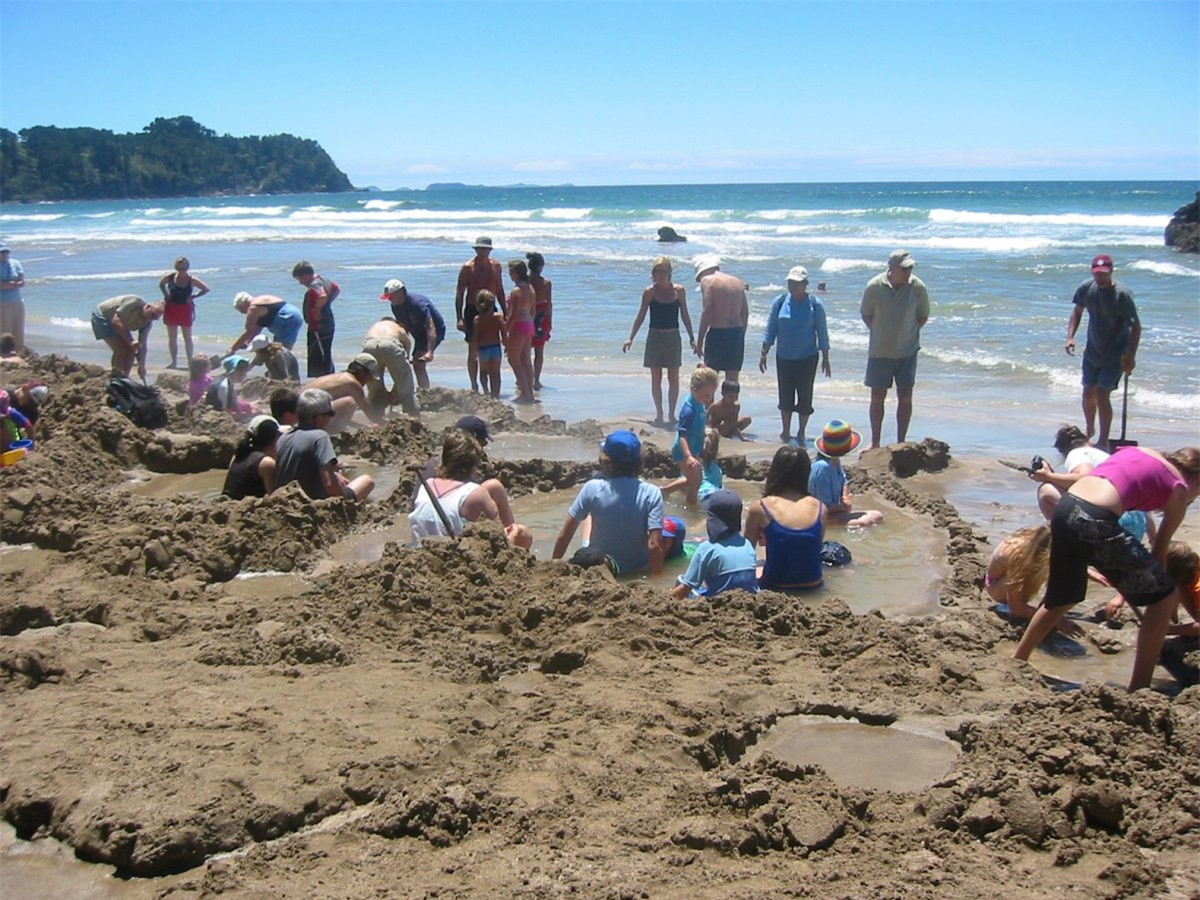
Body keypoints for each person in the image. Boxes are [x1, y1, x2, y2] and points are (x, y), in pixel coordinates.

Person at [1013, 446, 1200, 692]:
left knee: (1061, 598)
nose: (1193, 498)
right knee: (1164, 598)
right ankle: (1140, 688)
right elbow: (1159, 550)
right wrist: (1163, 601)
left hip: (1066, 507)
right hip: (1095, 518)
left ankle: (1018, 661)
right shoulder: (1179, 489)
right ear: (1196, 479)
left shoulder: (1144, 453)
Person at [551, 430, 665, 576]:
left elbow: (565, 535)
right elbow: (654, 545)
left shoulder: (592, 488)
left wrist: (553, 566)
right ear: (639, 461)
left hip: (600, 568)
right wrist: (656, 581)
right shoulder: (652, 493)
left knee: (589, 518)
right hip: (636, 570)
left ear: (606, 461)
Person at [1064, 253, 1140, 451]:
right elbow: (1077, 312)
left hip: (1116, 353)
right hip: (1093, 350)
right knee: (1087, 392)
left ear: (1111, 271)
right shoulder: (1086, 288)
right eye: (1097, 273)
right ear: (1092, 272)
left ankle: (1103, 440)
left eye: (1104, 274)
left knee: (1101, 393)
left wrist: (1131, 356)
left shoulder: (1122, 294)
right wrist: (1070, 337)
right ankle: (1089, 431)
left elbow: (1135, 326)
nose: (1100, 277)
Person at [1030, 424, 1154, 543]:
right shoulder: (1106, 457)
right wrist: (1153, 538)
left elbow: (1084, 478)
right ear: (1088, 441)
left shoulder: (1077, 453)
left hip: (1113, 522)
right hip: (1136, 525)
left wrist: (1048, 476)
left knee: (1046, 490)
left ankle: (1065, 542)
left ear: (1063, 453)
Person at [409, 430, 532, 549]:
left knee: (493, 488)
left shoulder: (427, 485)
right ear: (473, 467)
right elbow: (495, 530)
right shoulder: (476, 492)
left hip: (420, 548)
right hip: (454, 553)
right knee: (522, 532)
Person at [860, 250, 930, 449]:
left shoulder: (917, 287)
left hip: (907, 351)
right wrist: (881, 333)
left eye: (910, 268)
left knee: (905, 397)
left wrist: (906, 334)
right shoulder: (874, 286)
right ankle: (875, 442)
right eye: (904, 269)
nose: (908, 272)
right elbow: (866, 314)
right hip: (880, 351)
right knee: (877, 397)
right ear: (892, 268)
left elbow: (922, 316)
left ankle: (901, 441)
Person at [759, 266, 830, 446]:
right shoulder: (780, 302)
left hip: (807, 358)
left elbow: (822, 332)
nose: (792, 286)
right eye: (790, 282)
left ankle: (801, 432)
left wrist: (826, 358)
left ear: (805, 284)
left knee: (805, 396)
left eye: (796, 283)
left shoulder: (815, 304)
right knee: (785, 396)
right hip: (784, 357)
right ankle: (785, 431)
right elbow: (771, 329)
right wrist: (764, 353)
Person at [623, 256, 696, 426]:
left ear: (670, 272)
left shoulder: (679, 291)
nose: (660, 274)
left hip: (673, 337)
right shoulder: (649, 292)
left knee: (673, 378)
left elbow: (685, 315)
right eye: (657, 271)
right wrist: (630, 338)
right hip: (655, 337)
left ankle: (671, 414)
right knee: (656, 378)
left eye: (663, 271)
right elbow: (641, 315)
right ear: (653, 273)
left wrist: (692, 338)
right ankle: (659, 413)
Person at [744, 445, 825, 592]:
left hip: (777, 586)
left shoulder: (761, 507)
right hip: (814, 584)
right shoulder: (820, 508)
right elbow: (809, 550)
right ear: (806, 473)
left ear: (775, 471)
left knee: (759, 563)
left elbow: (746, 553)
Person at [274, 388, 374, 502]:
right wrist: (344, 502)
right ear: (319, 418)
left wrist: (334, 474)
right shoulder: (320, 437)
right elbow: (329, 484)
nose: (331, 418)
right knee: (367, 481)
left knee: (339, 478)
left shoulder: (284, 437)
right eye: (330, 414)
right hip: (313, 502)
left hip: (288, 499)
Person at [671, 490, 759, 599]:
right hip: (750, 599)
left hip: (720, 603)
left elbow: (685, 588)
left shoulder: (707, 549)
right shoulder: (747, 545)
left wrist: (665, 600)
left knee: (681, 580)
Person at [454, 237, 506, 393]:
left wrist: (506, 311)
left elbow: (500, 289)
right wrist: (459, 318)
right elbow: (460, 293)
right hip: (472, 309)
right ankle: (474, 385)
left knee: (492, 343)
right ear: (476, 249)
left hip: (491, 309)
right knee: (473, 347)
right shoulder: (467, 268)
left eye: (486, 249)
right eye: (480, 249)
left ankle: (491, 385)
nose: (483, 251)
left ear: (490, 250)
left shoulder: (496, 266)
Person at [808, 420, 883, 527]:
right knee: (868, 520)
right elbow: (822, 507)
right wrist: (842, 507)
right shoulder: (822, 468)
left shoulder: (835, 460)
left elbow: (844, 480)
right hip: (819, 516)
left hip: (833, 511)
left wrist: (845, 496)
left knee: (876, 515)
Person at [985, 525, 1059, 628]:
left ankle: (1037, 610)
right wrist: (1051, 619)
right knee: (1043, 567)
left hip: (1006, 576)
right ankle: (1006, 608)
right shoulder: (1020, 555)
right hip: (995, 585)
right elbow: (1016, 606)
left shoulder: (1039, 537)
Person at [379, 279, 445, 390]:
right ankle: (422, 391)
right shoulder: (395, 306)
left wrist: (430, 352)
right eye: (388, 298)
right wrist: (402, 350)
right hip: (418, 333)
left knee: (418, 365)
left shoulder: (417, 304)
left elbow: (430, 326)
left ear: (401, 292)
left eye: (391, 297)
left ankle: (425, 393)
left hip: (434, 331)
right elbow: (404, 328)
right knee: (415, 363)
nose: (389, 300)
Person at [694, 255, 749, 382]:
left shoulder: (707, 280)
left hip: (718, 333)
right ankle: (731, 396)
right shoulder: (737, 281)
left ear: (702, 272)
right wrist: (741, 334)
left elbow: (707, 310)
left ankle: (709, 397)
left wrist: (700, 341)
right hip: (737, 332)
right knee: (732, 380)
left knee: (711, 377)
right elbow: (745, 313)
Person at [672, 367, 720, 506]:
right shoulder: (689, 410)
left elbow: (700, 424)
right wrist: (688, 456)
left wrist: (706, 435)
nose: (709, 398)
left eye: (711, 394)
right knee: (695, 482)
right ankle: (692, 506)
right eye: (706, 395)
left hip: (694, 448)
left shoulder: (700, 403)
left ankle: (665, 491)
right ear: (693, 389)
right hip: (683, 451)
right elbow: (682, 435)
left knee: (694, 479)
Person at [305, 354, 386, 433]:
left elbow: (340, 417)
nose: (371, 380)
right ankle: (329, 433)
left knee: (347, 404)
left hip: (303, 411)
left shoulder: (341, 377)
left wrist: (363, 426)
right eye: (370, 375)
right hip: (308, 414)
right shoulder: (353, 383)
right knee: (350, 402)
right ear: (361, 371)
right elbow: (369, 411)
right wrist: (386, 424)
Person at [91, 295, 165, 379]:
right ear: (147, 307)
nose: (151, 319)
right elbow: (116, 321)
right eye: (152, 315)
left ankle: (125, 378)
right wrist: (131, 341)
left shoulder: (147, 324)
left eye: (155, 318)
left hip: (118, 323)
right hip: (102, 316)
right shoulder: (133, 302)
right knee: (120, 349)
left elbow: (142, 345)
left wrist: (141, 366)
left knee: (131, 350)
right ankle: (116, 378)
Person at [157, 256, 210, 369]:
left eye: (184, 268)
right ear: (176, 267)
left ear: (187, 267)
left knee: (187, 338)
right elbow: (161, 284)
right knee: (172, 338)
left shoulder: (192, 279)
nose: (182, 270)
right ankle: (174, 362)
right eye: (180, 268)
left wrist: (193, 296)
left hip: (185, 309)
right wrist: (166, 295)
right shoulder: (171, 277)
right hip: (171, 308)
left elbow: (205, 289)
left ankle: (190, 362)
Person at [361, 317, 419, 416]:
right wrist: (406, 359)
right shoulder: (398, 327)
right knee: (405, 386)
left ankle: (378, 417)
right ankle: (413, 415)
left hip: (369, 345)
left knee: (375, 388)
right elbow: (407, 344)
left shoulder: (375, 327)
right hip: (389, 343)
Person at [292, 261, 339, 377]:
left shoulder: (315, 284)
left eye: (300, 279)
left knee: (319, 356)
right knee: (325, 352)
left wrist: (318, 308)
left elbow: (322, 296)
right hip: (327, 323)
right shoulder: (324, 280)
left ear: (305, 275)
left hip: (319, 326)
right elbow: (336, 289)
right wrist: (327, 304)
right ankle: (329, 378)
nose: (300, 283)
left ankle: (324, 380)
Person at [222, 414, 281, 500]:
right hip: (244, 507)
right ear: (274, 438)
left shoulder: (239, 455)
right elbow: (275, 499)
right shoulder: (267, 464)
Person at [505, 258, 537, 403]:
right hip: (529, 324)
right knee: (526, 360)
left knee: (514, 359)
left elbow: (513, 315)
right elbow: (533, 310)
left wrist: (506, 331)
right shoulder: (530, 289)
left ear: (517, 273)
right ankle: (530, 392)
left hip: (519, 325)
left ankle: (525, 392)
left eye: (511, 271)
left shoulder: (516, 291)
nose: (509, 274)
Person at [662, 427, 723, 502]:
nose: (705, 447)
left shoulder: (705, 465)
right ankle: (665, 491)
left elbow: (686, 481)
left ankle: (665, 491)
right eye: (705, 445)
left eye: (707, 445)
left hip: (709, 495)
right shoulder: (709, 466)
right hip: (711, 495)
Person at [230, 293, 305, 353]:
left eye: (240, 310)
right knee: (278, 349)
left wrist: (232, 349)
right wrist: (247, 342)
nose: (242, 313)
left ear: (244, 305)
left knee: (282, 352)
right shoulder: (260, 300)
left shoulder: (253, 309)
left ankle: (285, 367)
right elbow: (256, 329)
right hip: (295, 314)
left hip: (286, 319)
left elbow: (249, 331)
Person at [528, 252, 553, 390]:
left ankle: (523, 379)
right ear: (541, 266)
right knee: (539, 352)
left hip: (527, 315)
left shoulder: (525, 281)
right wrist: (550, 320)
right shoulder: (546, 283)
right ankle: (536, 380)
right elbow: (549, 304)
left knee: (525, 351)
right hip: (541, 317)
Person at [473, 291, 505, 399]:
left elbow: (476, 337)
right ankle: (496, 394)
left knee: (483, 372)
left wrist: (474, 350)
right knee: (495, 373)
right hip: (495, 347)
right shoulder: (498, 317)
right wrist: (507, 345)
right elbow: (503, 333)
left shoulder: (477, 319)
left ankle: (486, 391)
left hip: (483, 349)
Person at [205, 356, 253, 420]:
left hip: (224, 406)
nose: (245, 375)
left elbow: (234, 401)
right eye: (244, 371)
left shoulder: (228, 380)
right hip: (216, 413)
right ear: (237, 372)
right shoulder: (224, 387)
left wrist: (241, 412)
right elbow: (225, 414)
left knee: (248, 406)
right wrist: (246, 416)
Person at [0, 243, 26, 354]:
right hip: (2, 302)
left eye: (7, 252)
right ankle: (4, 354)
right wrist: (12, 284)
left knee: (18, 329)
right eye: (2, 252)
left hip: (17, 301)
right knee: (5, 329)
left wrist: (8, 284)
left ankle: (18, 353)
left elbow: (22, 282)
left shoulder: (16, 263)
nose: (5, 254)